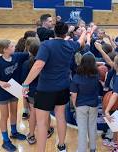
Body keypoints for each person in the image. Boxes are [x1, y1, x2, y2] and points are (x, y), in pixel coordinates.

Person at [22, 22, 86, 152]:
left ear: (54, 32)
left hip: (45, 89)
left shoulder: (46, 45)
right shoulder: (70, 45)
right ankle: (61, 145)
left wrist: (26, 83)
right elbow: (81, 41)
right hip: (63, 88)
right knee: (61, 117)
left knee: (42, 123)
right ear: (66, 33)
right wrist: (86, 31)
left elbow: (38, 65)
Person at [0, 39, 28, 151]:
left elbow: (31, 52)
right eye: (12, 46)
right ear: (5, 50)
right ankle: (5, 141)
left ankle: (14, 132)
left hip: (14, 90)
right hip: (2, 93)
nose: (15, 47)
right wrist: (1, 83)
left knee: (14, 112)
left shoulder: (17, 56)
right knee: (5, 116)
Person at [70, 53, 100, 152]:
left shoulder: (76, 77)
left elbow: (73, 95)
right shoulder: (97, 75)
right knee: (92, 127)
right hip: (94, 105)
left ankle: (82, 150)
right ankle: (93, 148)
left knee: (82, 129)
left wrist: (75, 106)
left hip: (81, 105)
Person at [20, 37, 40, 145]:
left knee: (33, 113)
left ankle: (31, 135)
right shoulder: (45, 62)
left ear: (29, 50)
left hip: (32, 92)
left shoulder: (26, 63)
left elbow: (23, 80)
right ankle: (46, 131)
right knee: (45, 113)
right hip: (44, 91)